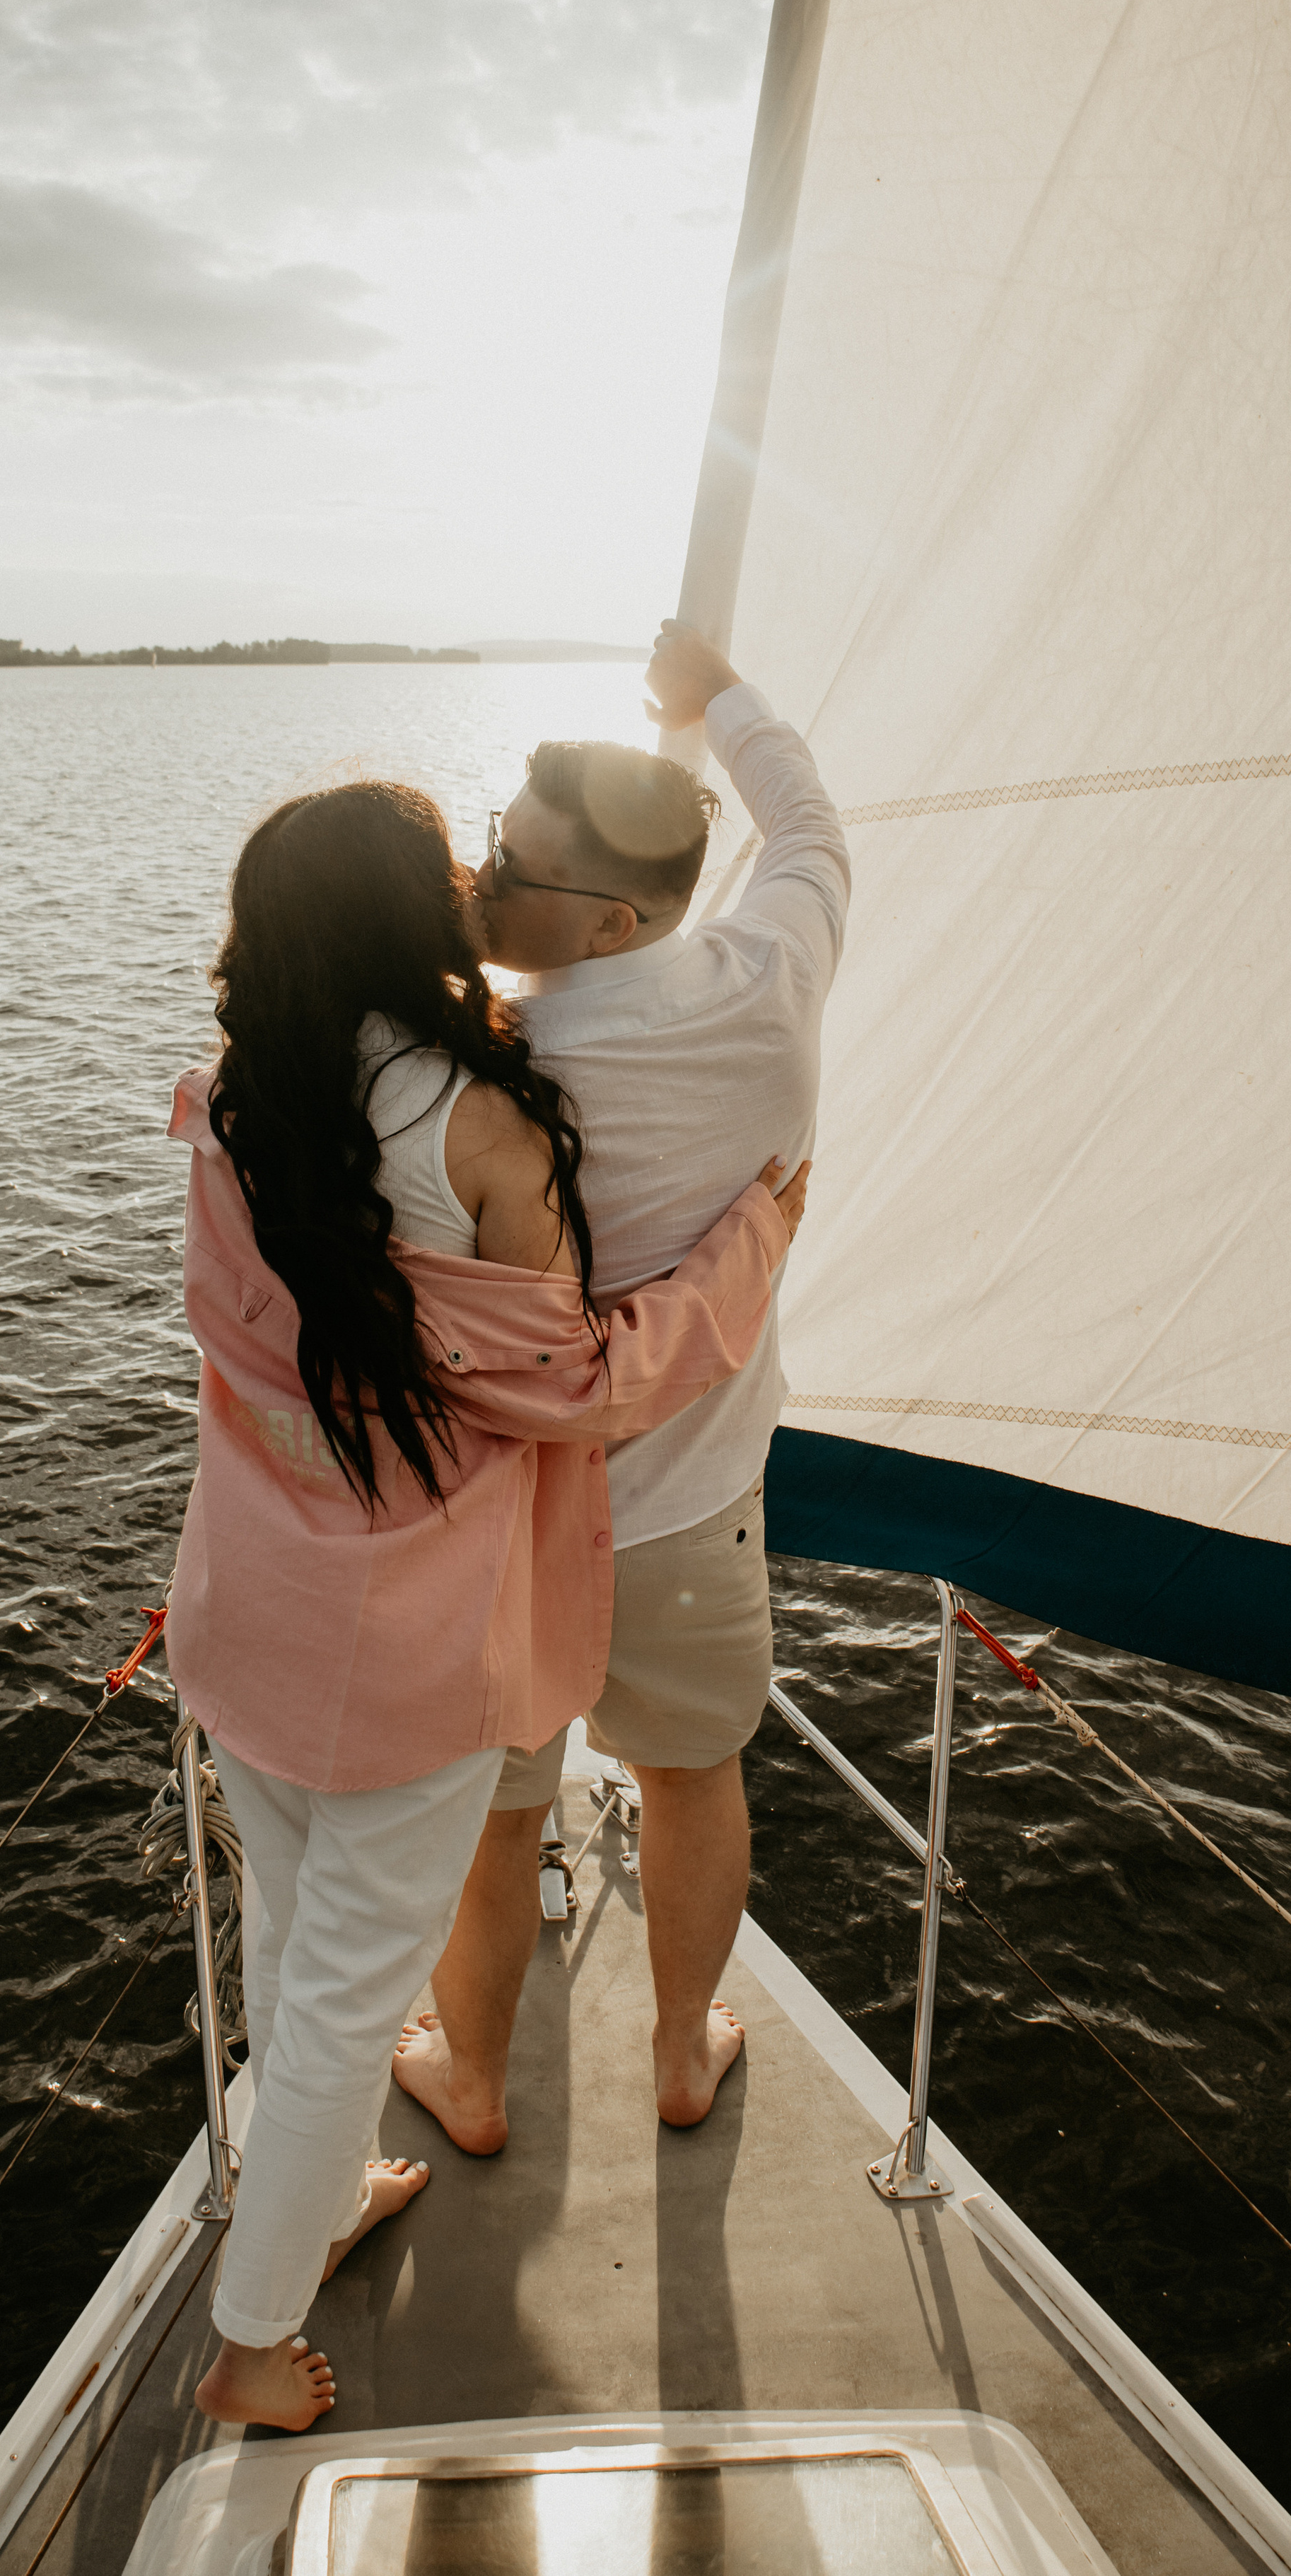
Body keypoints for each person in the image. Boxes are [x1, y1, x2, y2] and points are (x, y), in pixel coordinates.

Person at [163, 774, 809, 2432]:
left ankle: (317, 2200)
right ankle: (248, 2341)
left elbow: (252, 1345)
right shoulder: (479, 1127)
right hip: (401, 1658)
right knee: (337, 2004)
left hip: (251, 1617)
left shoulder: (247, 1098)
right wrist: (746, 1252)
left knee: (296, 1944)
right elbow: (575, 1389)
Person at [394, 618, 848, 2144]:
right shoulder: (780, 968)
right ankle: (676, 2049)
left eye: (509, 868)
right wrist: (720, 696)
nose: (477, 879)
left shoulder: (492, 1067)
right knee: (691, 1778)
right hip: (695, 1509)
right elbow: (807, 823)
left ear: (600, 922)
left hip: (517, 1526)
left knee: (498, 1814)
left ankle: (471, 2080)